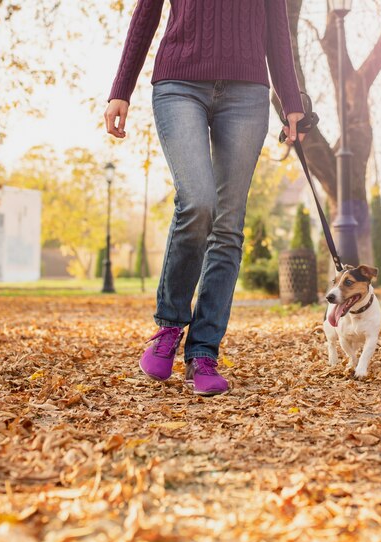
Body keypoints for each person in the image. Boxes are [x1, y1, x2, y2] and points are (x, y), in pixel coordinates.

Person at [104, 0, 306, 396]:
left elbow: (277, 28)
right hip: (179, 84)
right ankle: (169, 325)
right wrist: (120, 90)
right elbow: (146, 14)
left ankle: (203, 353)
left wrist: (292, 101)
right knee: (198, 202)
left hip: (247, 93)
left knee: (228, 225)